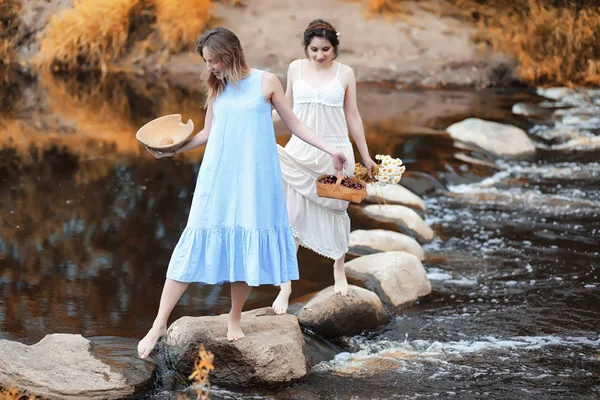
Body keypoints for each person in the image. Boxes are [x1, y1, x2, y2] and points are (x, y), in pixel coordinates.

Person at [137, 26, 348, 359]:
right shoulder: (218, 88)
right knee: (193, 242)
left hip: (256, 179)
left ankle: (234, 317)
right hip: (217, 177)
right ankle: (159, 323)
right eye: (206, 62)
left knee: (245, 243)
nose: (210, 68)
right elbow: (208, 132)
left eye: (213, 60)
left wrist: (330, 149)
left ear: (230, 54)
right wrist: (172, 150)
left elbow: (294, 123)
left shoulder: (266, 82)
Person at [271, 19, 377, 314]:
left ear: (335, 48)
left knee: (337, 211)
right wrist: (256, 123)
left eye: (326, 49)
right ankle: (285, 287)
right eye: (314, 49)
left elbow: (353, 116)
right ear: (306, 47)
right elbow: (286, 109)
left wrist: (366, 156)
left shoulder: (345, 73)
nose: (319, 55)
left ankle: (338, 268)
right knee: (291, 218)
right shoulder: (295, 68)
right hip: (301, 150)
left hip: (335, 151)